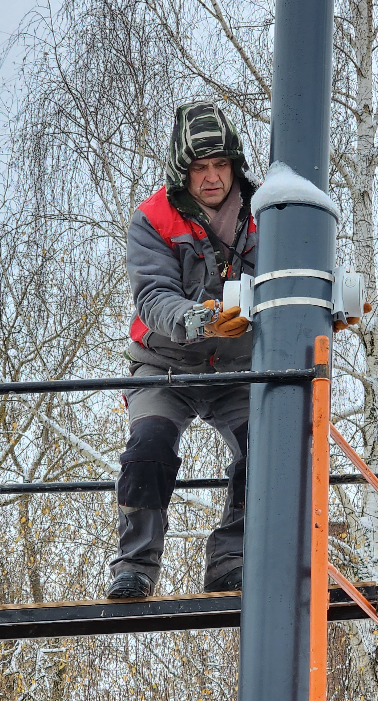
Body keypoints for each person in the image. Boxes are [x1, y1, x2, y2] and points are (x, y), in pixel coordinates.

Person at [107, 101, 257, 599]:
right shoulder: (152, 218)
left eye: (221, 165)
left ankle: (231, 558)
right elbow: (152, 295)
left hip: (237, 372)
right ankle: (135, 566)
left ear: (234, 165)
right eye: (200, 168)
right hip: (164, 367)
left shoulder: (268, 214)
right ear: (182, 172)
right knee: (148, 450)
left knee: (269, 450)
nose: (213, 178)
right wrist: (194, 318)